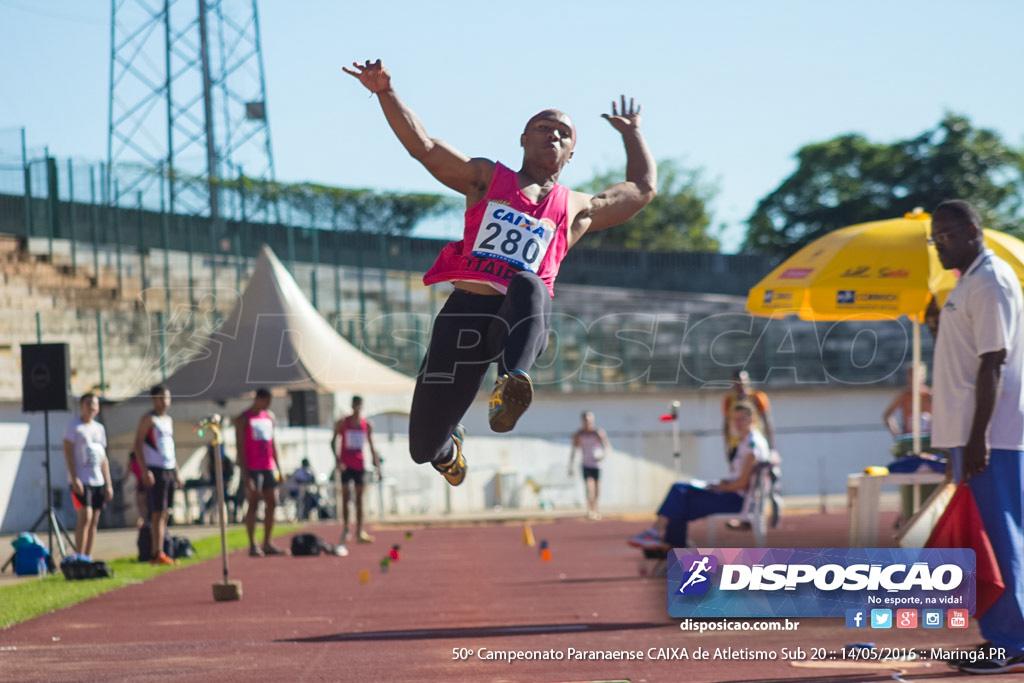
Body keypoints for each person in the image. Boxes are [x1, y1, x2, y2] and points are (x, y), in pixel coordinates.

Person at [344, 59, 656, 487]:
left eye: (564, 133)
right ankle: (449, 448)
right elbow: (425, 148)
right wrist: (385, 91)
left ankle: (510, 383)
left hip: (518, 320)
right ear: (524, 139)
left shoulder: (575, 207)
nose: (555, 134)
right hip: (464, 314)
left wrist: (633, 133)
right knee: (422, 448)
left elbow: (641, 190)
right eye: (544, 127)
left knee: (528, 282)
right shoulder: (487, 179)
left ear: (571, 153)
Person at [928, 199, 1024, 675]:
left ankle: (1010, 641)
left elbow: (994, 362)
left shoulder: (990, 281)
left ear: (970, 231)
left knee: (1000, 538)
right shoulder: (967, 283)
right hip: (970, 433)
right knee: (987, 538)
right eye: (933, 238)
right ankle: (1002, 634)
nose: (937, 246)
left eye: (943, 236)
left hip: (992, 435)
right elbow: (965, 357)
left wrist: (978, 438)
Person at [628, 403, 771, 551]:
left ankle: (660, 538)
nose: (738, 423)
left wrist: (723, 487)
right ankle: (668, 545)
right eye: (735, 420)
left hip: (736, 500)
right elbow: (740, 478)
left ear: (752, 419)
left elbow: (742, 482)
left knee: (679, 499)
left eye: (742, 419)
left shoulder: (753, 445)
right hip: (733, 494)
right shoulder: (747, 442)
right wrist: (721, 484)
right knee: (680, 492)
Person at [721, 370, 781, 528]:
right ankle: (747, 517)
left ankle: (770, 510)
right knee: (743, 481)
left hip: (755, 446)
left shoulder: (757, 397)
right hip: (738, 446)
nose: (740, 384)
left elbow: (768, 422)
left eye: (743, 381)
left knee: (763, 481)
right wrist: (727, 445)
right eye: (737, 381)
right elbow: (726, 424)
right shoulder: (729, 400)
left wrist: (771, 447)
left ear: (747, 380)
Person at [132, 385, 181, 566]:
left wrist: (177, 472)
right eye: (160, 398)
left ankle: (161, 550)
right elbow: (137, 445)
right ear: (154, 399)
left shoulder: (168, 420)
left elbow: (170, 448)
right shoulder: (149, 419)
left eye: (167, 398)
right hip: (155, 469)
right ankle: (155, 553)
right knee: (157, 512)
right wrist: (145, 471)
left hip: (168, 469)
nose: (164, 402)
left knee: (166, 512)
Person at [236, 388, 286, 557]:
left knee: (273, 502)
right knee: (253, 503)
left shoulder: (269, 417)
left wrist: (279, 467)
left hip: (268, 467)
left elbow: (274, 444)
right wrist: (245, 475)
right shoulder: (244, 418)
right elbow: (240, 449)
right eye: (267, 401)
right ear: (259, 399)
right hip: (252, 467)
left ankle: (267, 542)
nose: (268, 405)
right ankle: (252, 544)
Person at [62, 393, 112, 560]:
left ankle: (88, 557)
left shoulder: (99, 429)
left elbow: (103, 458)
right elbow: (68, 453)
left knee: (94, 520)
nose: (92, 407)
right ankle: (79, 556)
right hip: (82, 481)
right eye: (89, 403)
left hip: (98, 480)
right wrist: (74, 477)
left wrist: (108, 483)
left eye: (95, 404)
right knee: (85, 516)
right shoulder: (74, 426)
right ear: (82, 406)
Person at [331, 396, 381, 543]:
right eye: (355, 404)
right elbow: (333, 441)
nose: (357, 407)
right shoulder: (343, 423)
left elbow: (371, 444)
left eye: (359, 404)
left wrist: (375, 460)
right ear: (352, 405)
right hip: (346, 465)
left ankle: (360, 531)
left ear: (362, 405)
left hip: (360, 465)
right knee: (346, 496)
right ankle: (346, 529)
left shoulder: (367, 424)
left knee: (359, 498)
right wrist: (338, 461)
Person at [567, 411, 612, 520]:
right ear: (582, 421)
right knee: (589, 487)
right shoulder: (578, 434)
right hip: (586, 463)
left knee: (597, 488)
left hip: (597, 464)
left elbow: (607, 447)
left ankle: (596, 508)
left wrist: (602, 455)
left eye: (590, 420)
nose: (588, 422)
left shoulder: (598, 433)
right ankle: (590, 510)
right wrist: (571, 465)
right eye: (586, 420)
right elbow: (574, 450)